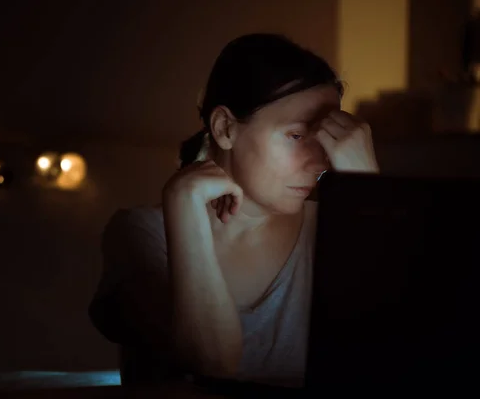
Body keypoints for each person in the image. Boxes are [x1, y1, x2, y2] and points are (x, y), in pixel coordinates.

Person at [89, 33, 379, 388]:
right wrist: (184, 209)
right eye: (298, 136)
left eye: (327, 140)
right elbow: (212, 363)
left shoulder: (335, 232)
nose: (320, 163)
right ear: (225, 128)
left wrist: (368, 190)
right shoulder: (141, 234)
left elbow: (405, 354)